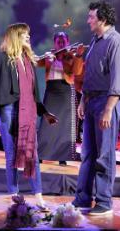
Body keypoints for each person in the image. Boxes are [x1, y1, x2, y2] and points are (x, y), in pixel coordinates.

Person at [0, 23, 57, 211]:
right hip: (8, 109)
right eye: (24, 34)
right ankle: (14, 193)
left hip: (28, 111)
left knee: (31, 153)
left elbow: (34, 92)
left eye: (28, 33)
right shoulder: (4, 58)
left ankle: (39, 196)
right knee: (11, 154)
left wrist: (44, 112)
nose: (28, 36)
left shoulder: (29, 59)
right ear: (15, 36)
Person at [71, 1, 120, 215]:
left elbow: (119, 80)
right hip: (92, 100)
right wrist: (83, 100)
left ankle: (104, 202)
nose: (88, 21)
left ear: (102, 20)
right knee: (87, 153)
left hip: (107, 102)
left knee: (104, 154)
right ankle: (83, 198)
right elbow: (90, 75)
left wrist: (108, 109)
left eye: (91, 17)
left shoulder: (117, 42)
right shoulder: (95, 41)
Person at [37, 32, 84, 166]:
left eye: (64, 41)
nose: (61, 43)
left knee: (64, 125)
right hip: (51, 91)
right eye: (59, 41)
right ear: (55, 43)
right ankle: (41, 154)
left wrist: (78, 55)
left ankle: (62, 156)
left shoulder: (71, 56)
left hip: (65, 91)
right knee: (46, 125)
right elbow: (35, 61)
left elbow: (77, 71)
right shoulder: (49, 56)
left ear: (68, 42)